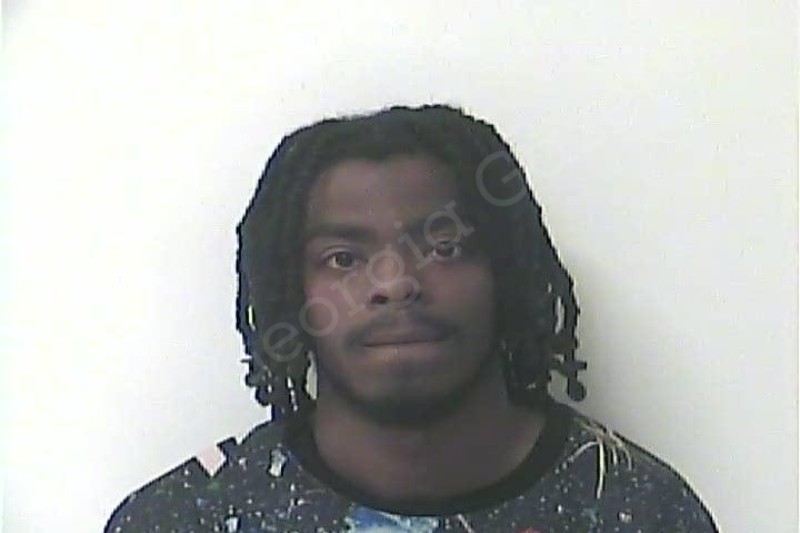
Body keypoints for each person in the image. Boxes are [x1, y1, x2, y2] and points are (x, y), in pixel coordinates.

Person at [105, 105, 717, 532]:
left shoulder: (637, 510)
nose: (395, 283)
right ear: (291, 294)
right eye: (343, 258)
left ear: (505, 273)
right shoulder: (184, 518)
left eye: (444, 247)